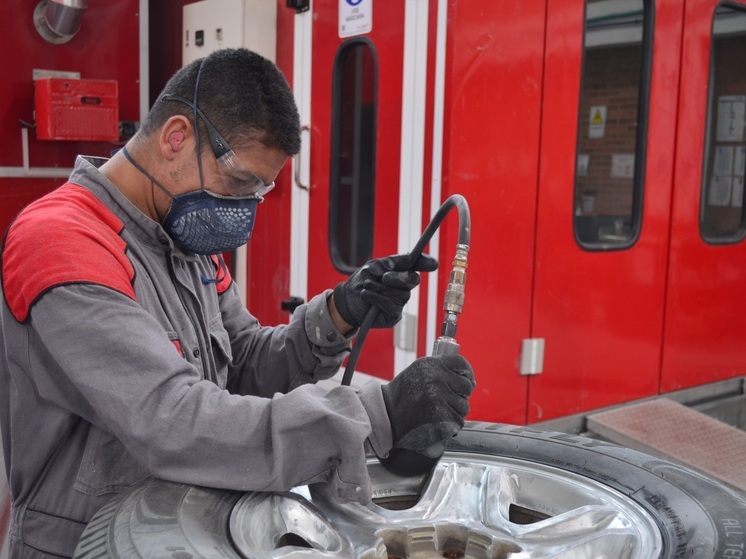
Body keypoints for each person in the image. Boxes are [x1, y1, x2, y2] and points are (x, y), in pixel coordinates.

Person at [0, 48, 475, 557]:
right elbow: (173, 420)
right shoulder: (63, 241)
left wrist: (341, 311)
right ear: (175, 137)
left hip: (182, 529)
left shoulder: (185, 241)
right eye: (240, 182)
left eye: (260, 189)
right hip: (80, 543)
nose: (245, 209)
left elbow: (243, 360)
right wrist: (374, 415)